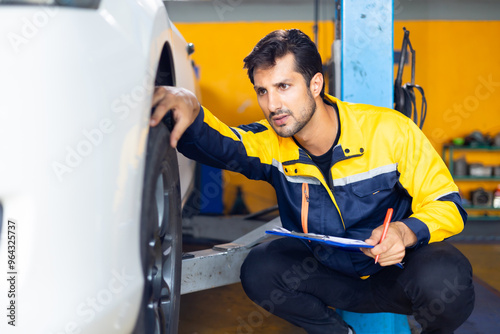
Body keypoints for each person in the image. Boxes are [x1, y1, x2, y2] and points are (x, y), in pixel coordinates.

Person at [150, 29, 474, 334]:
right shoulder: (270, 144)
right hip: (327, 276)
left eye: (284, 87)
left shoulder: (390, 132)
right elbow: (220, 142)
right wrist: (189, 106)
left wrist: (405, 232)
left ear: (315, 84)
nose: (272, 105)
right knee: (261, 268)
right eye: (262, 91)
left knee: (447, 276)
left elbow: (447, 206)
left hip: (393, 274)